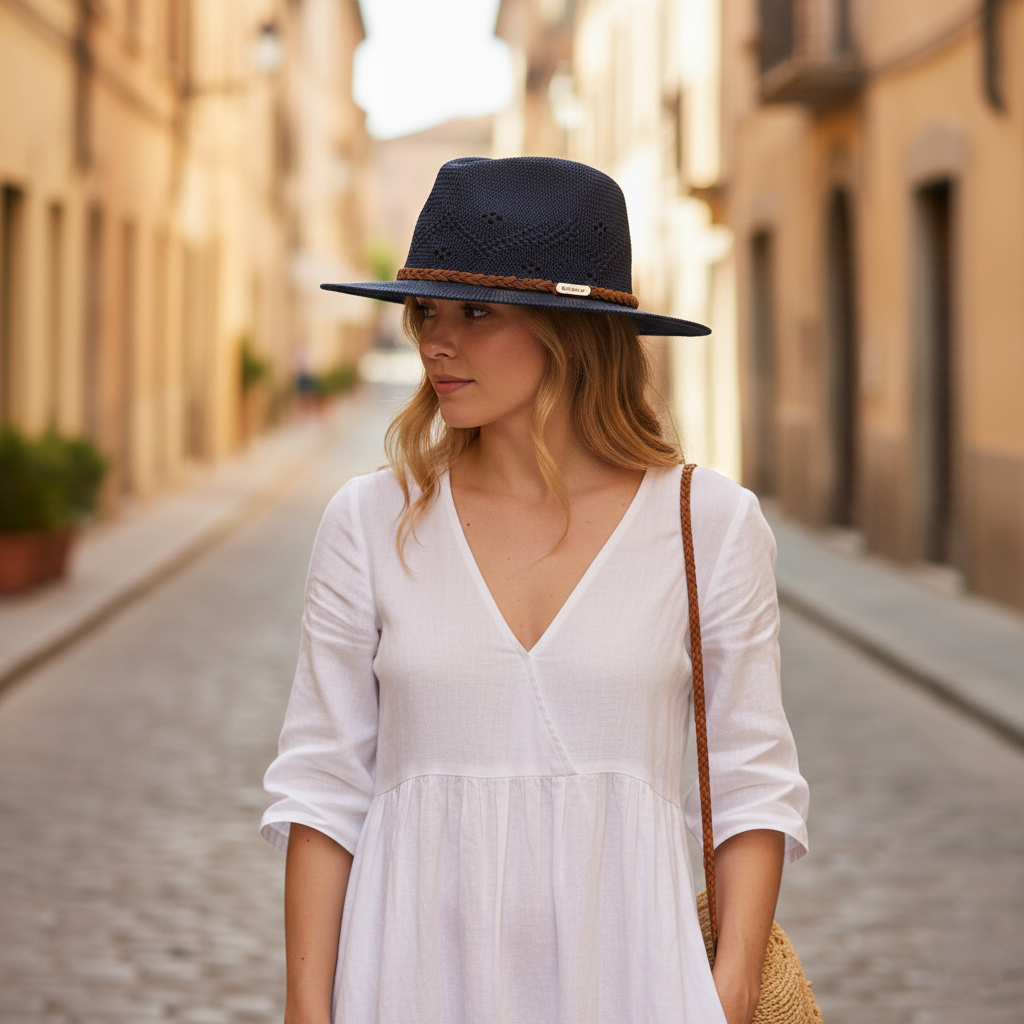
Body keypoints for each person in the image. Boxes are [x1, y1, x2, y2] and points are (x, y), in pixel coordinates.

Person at [261, 156, 809, 1024]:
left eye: (476, 312)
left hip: (631, 981)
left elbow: (751, 782)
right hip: (407, 980)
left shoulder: (710, 523)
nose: (437, 341)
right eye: (427, 312)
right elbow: (324, 788)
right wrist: (306, 1009)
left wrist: (731, 993)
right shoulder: (369, 521)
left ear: (571, 330)